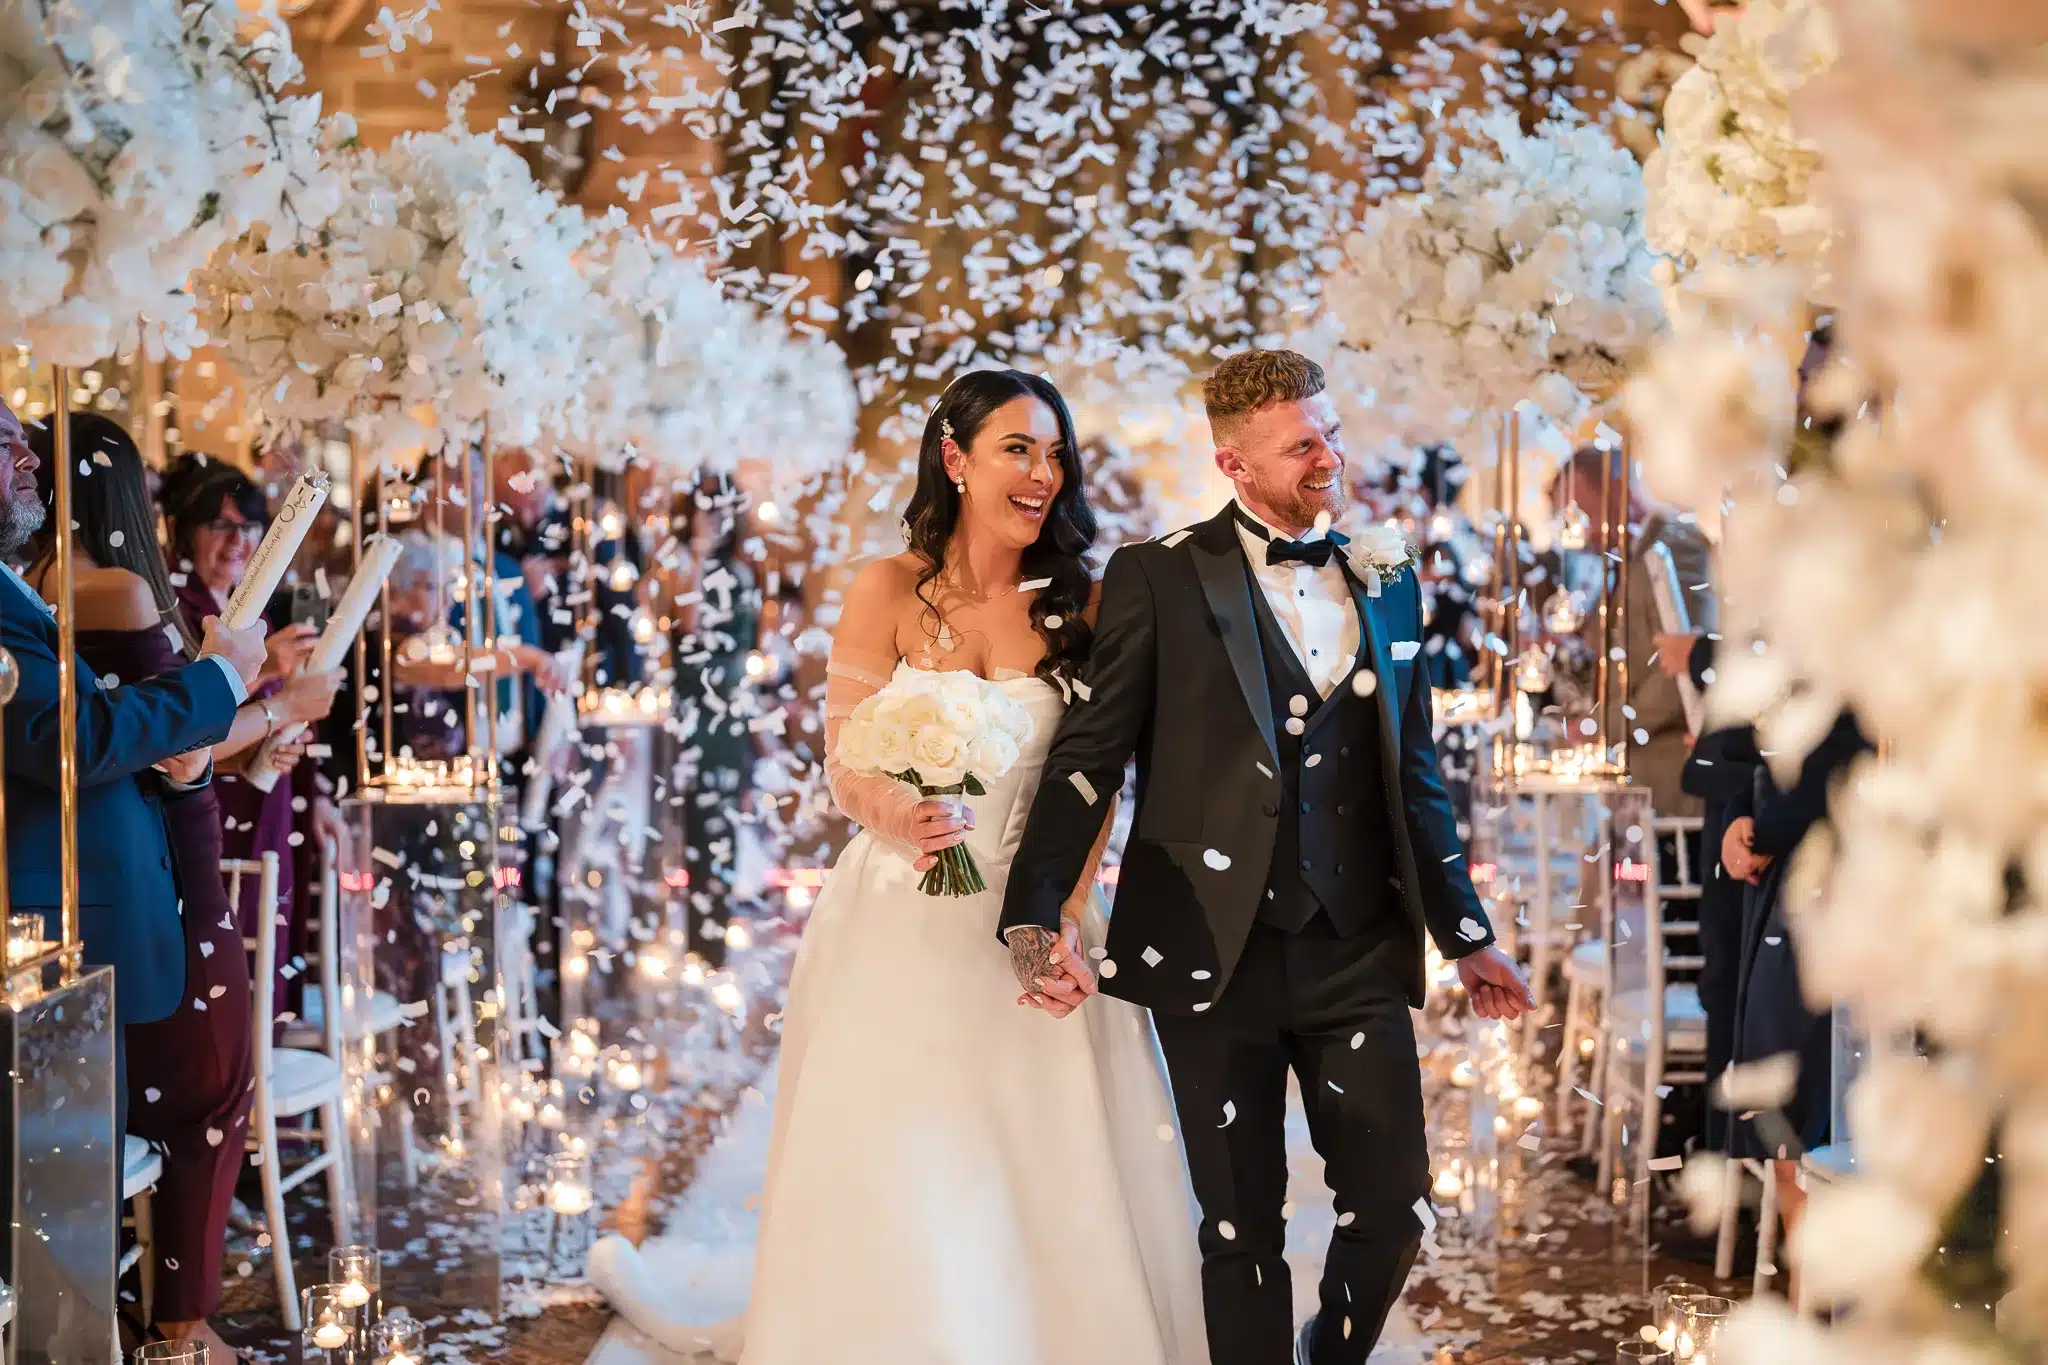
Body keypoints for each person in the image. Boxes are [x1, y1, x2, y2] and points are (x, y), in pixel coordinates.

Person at [588, 369, 1208, 1364]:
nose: (1041, 473)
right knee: (905, 1159)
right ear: (955, 458)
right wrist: (899, 810)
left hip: (1035, 912)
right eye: (1016, 448)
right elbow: (844, 758)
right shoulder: (883, 588)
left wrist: (1062, 910)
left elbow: (1100, 778)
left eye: (1054, 455)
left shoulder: (1089, 602)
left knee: (1044, 1164)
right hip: (896, 912)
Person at [1001, 349, 1533, 1365]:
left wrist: (1465, 934)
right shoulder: (1155, 575)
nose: (1327, 455)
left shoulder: (1387, 577)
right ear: (1234, 463)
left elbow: (1413, 774)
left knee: (1393, 1206)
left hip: (1354, 947)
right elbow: (1091, 755)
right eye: (1301, 444)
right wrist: (1035, 915)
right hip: (1208, 954)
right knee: (1238, 1229)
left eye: (1329, 433)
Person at [21, 415, 337, 1360]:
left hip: (148, 841)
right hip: (170, 855)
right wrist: (271, 697)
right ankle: (182, 1323)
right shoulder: (109, 585)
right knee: (213, 1088)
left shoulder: (39, 589)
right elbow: (169, 738)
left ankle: (153, 1305)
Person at [160, 459, 329, 1013]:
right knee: (231, 965)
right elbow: (183, 727)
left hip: (264, 797)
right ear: (187, 530)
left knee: (270, 944)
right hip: (211, 810)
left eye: (249, 528)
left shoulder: (250, 611)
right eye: (222, 526)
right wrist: (267, 678)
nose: (238, 541)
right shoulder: (179, 613)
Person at [1549, 445, 1717, 816]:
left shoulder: (1673, 547)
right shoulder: (1617, 564)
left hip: (1674, 785)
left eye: (1582, 514)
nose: (1577, 530)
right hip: (1634, 785)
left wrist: (1602, 725)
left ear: (1617, 492)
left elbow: (1682, 671)